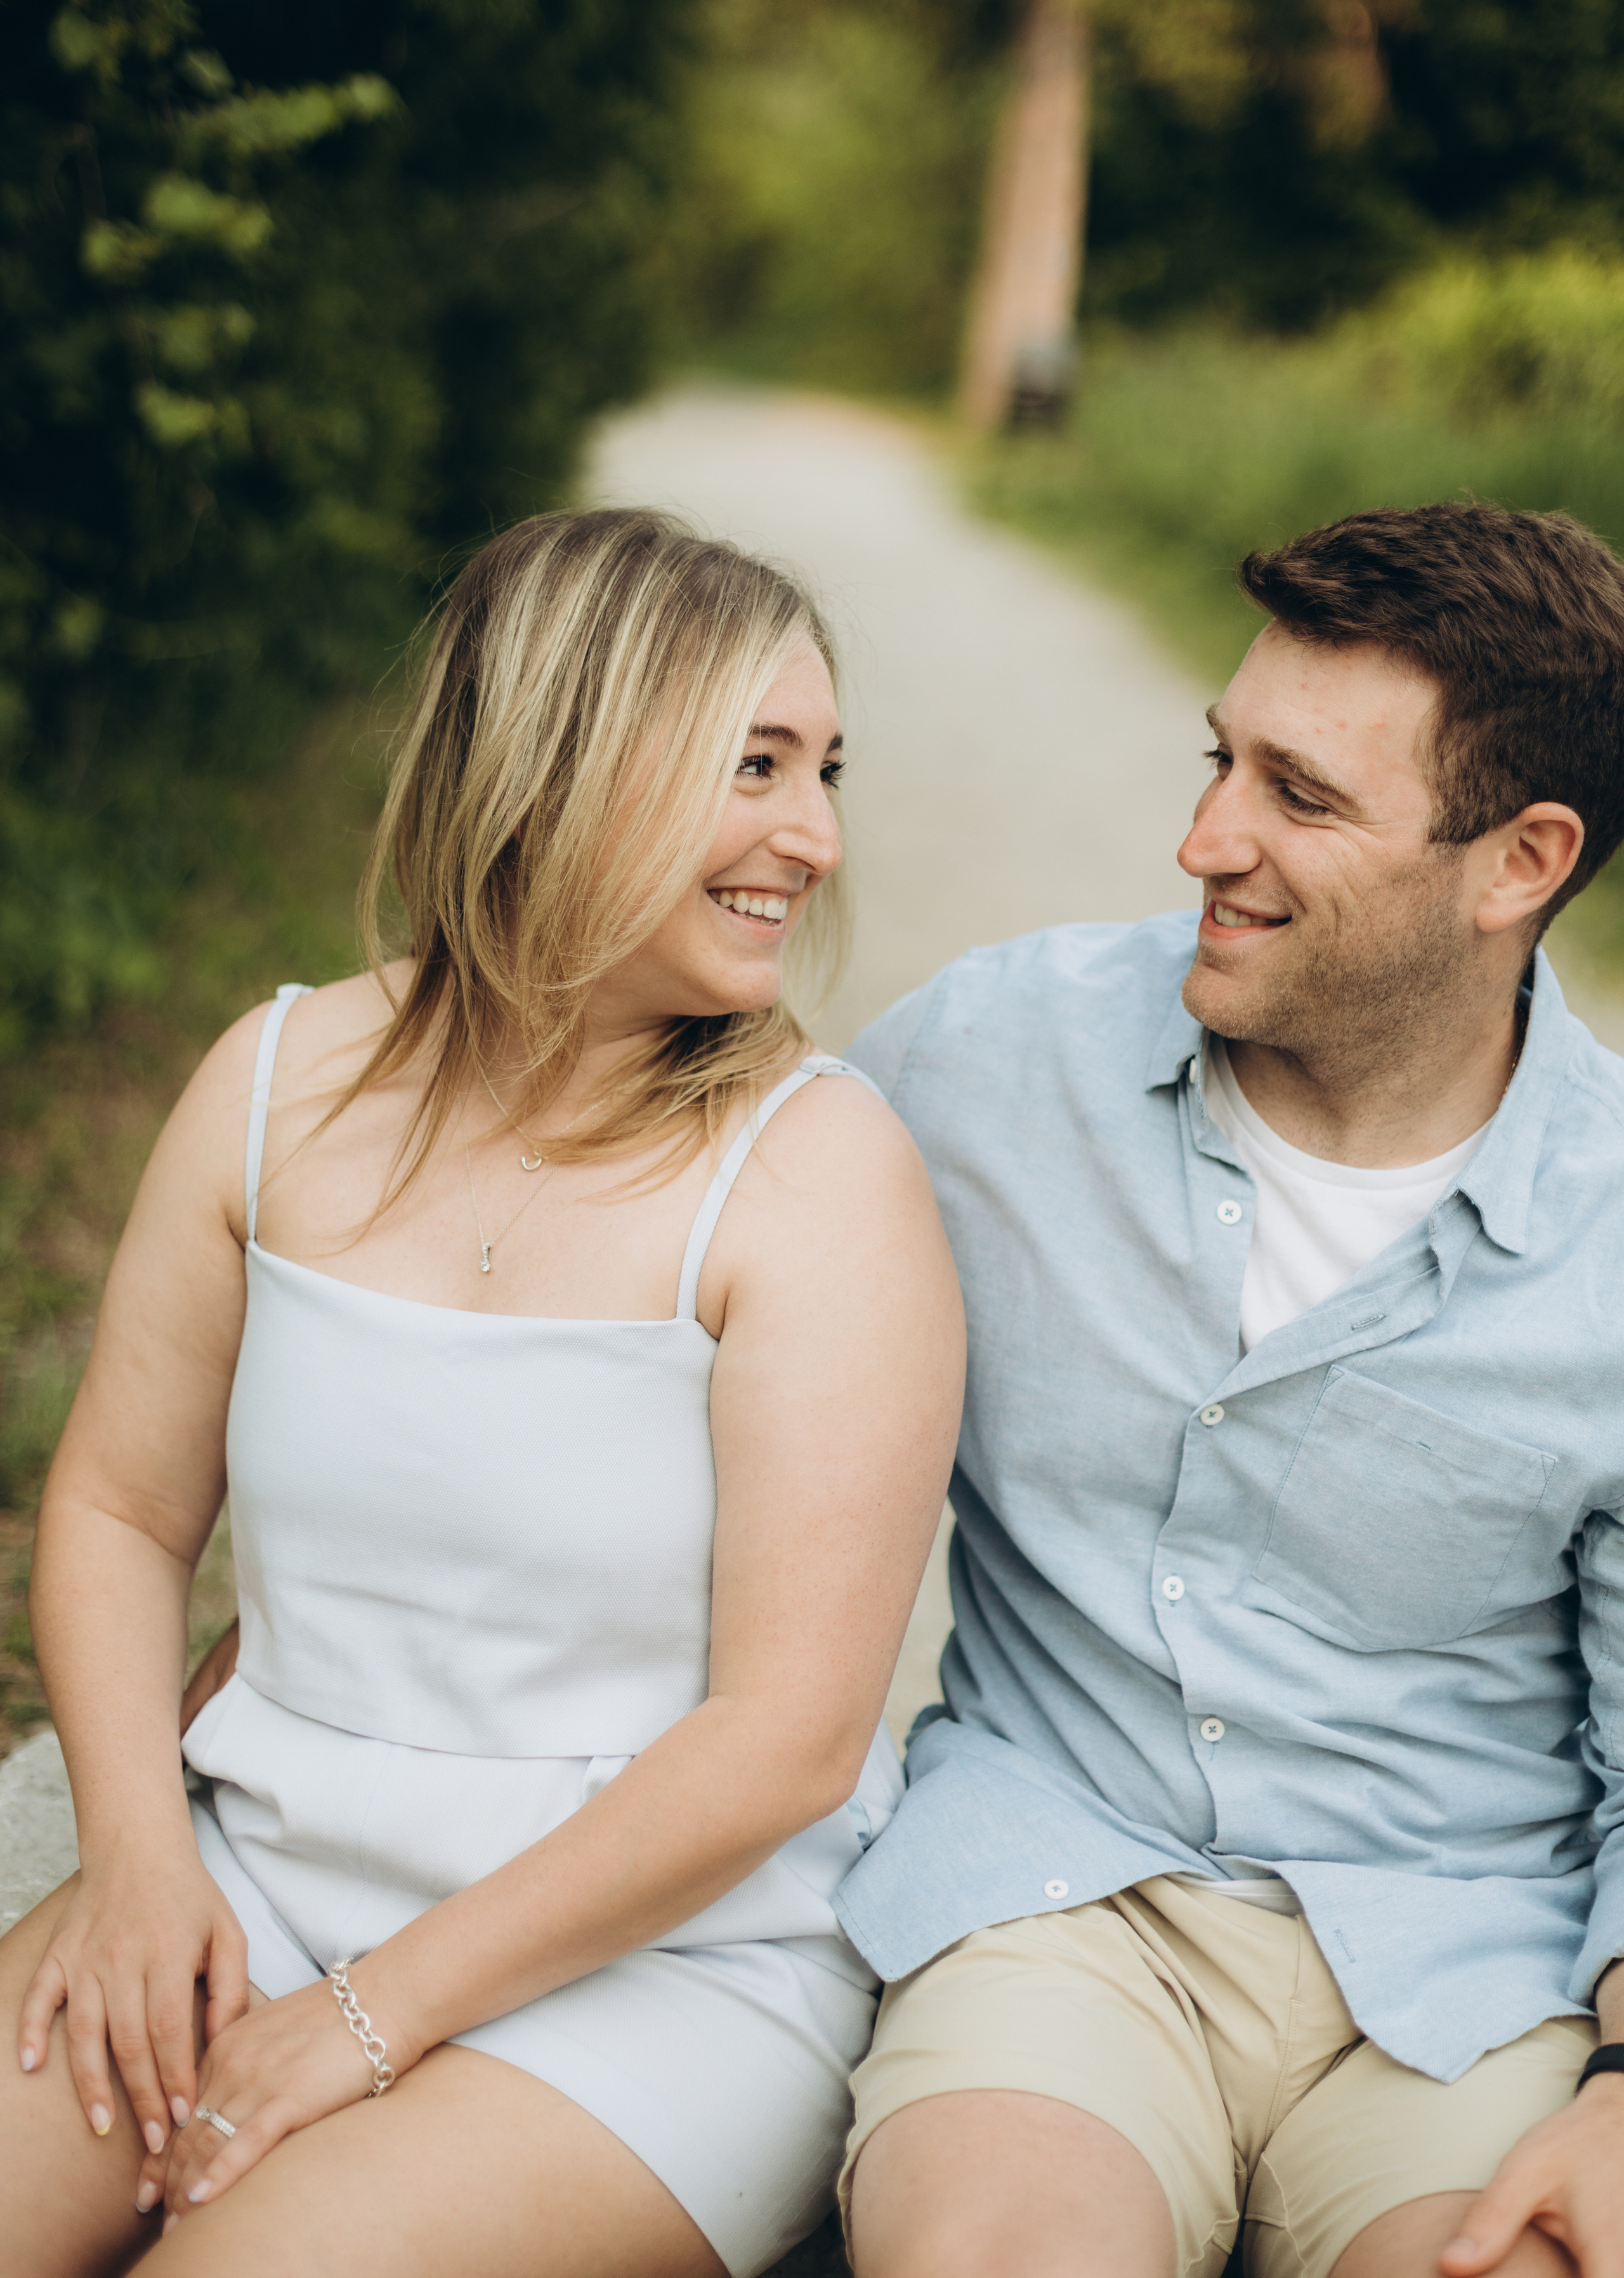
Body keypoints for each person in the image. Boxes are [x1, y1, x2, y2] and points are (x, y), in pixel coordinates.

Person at [0, 509, 964, 2278]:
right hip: (257, 1870)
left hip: (661, 1963)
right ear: (562, 756)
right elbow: (121, 1513)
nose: (815, 838)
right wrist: (138, 1866)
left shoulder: (818, 1175)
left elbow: (784, 1740)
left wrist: (366, 2017)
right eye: (755, 765)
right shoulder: (278, 1078)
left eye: (824, 771)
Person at [834, 502, 1624, 2278]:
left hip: (1467, 1983)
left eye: (1303, 799)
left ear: (1521, 862)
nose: (1206, 840)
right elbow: (673, 1363)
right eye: (1223, 760)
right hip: (1056, 1906)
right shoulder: (985, 1059)